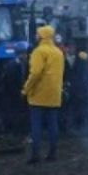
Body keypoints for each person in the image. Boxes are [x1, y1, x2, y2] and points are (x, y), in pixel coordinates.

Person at [21, 25, 65, 163]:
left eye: (37, 34)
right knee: (53, 124)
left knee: (36, 125)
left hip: (39, 93)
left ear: (42, 36)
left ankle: (35, 154)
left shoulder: (39, 52)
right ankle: (53, 153)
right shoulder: (58, 52)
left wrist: (25, 90)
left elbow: (35, 73)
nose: (36, 36)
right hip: (55, 92)